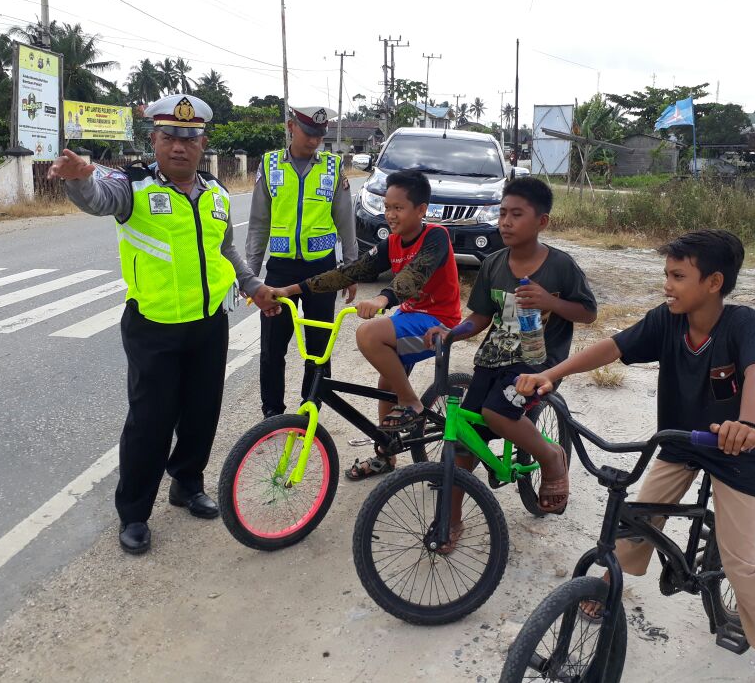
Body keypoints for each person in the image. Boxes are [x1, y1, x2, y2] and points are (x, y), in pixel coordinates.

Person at [515, 229, 755, 683]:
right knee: (636, 518)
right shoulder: (666, 320)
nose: (666, 284)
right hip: (679, 441)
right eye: (666, 274)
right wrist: (551, 373)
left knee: (742, 568)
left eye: (677, 275)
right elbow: (613, 346)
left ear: (713, 282)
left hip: (734, 453)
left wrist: (746, 425)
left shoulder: (741, 322)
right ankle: (609, 581)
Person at [50, 93, 280, 556]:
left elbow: (224, 249)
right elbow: (98, 196)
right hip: (153, 326)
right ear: (153, 140)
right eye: (169, 137)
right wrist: (78, 181)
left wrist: (253, 285)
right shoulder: (131, 188)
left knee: (201, 413)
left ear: (202, 143)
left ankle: (187, 484)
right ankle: (134, 513)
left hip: (208, 323)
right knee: (149, 423)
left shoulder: (215, 194)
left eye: (189, 138)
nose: (179, 146)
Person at [425, 177, 598, 539]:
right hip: (492, 360)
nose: (505, 222)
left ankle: (551, 457)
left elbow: (587, 313)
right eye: (502, 213)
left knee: (496, 411)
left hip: (539, 364)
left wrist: (550, 302)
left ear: (542, 222)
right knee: (464, 442)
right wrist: (452, 332)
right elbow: (480, 318)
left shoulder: (560, 266)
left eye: (516, 214)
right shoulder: (493, 264)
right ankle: (450, 521)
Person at [274, 169, 461, 479]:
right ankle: (386, 455)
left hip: (438, 326)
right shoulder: (393, 243)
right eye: (387, 207)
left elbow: (414, 277)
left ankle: (412, 403)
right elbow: (348, 272)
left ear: (421, 209)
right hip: (411, 317)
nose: (390, 215)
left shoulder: (436, 236)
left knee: (370, 335)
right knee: (387, 382)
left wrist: (382, 299)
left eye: (398, 208)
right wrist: (289, 291)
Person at [246, 105, 359, 418]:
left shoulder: (333, 167)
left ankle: (311, 407)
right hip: (280, 271)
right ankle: (272, 412)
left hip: (322, 269)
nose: (314, 141)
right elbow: (258, 223)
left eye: (320, 135)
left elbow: (345, 221)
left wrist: (350, 269)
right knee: (272, 346)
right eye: (309, 133)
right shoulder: (269, 165)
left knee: (319, 345)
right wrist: (250, 276)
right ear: (291, 126)